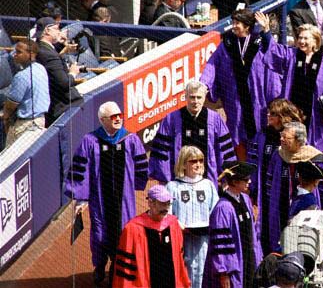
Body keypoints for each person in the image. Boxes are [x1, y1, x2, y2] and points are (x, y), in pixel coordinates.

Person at [65, 102, 148, 286]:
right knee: (100, 234)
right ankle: (100, 265)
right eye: (113, 116)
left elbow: (141, 166)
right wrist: (80, 198)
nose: (118, 118)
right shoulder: (90, 141)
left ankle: (117, 269)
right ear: (102, 120)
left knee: (124, 232)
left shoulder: (130, 139)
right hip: (100, 199)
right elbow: (81, 169)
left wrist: (137, 183)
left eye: (119, 114)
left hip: (123, 199)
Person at [200, 8, 281, 151]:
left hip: (256, 95)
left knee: (258, 126)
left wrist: (267, 30)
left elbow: (274, 53)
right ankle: (242, 166)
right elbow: (213, 63)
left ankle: (258, 160)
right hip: (234, 96)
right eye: (233, 22)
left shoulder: (260, 41)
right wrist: (204, 83)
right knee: (235, 126)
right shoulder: (228, 43)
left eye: (237, 23)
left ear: (247, 26)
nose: (234, 26)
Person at [262, 19, 323, 154]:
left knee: (315, 143)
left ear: (315, 41)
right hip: (292, 110)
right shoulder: (292, 55)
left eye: (306, 38)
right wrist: (266, 31)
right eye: (300, 37)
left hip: (315, 112)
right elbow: (274, 51)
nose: (301, 41)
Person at [263, 122, 323, 253]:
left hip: (308, 210)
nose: (281, 139)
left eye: (286, 137)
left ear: (299, 141)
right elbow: (269, 181)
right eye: (282, 135)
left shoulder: (316, 159)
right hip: (280, 210)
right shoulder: (278, 155)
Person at [149, 79, 237, 186]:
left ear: (205, 98)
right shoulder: (171, 119)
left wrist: (225, 178)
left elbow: (224, 151)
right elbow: (162, 152)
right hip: (178, 182)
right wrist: (165, 180)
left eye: (199, 97)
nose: (195, 101)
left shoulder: (215, 119)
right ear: (185, 97)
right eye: (192, 97)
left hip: (208, 179)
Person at [246, 99, 304, 252]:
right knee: (267, 227)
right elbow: (252, 162)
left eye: (272, 113)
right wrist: (252, 189)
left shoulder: (295, 136)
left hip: (291, 191)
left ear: (282, 116)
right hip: (267, 193)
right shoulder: (261, 136)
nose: (268, 115)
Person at [112, 185, 190, 288]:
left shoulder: (173, 225)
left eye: (168, 203)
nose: (166, 208)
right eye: (162, 203)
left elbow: (179, 261)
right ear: (150, 203)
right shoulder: (133, 228)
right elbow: (126, 267)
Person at [166, 146, 218, 288]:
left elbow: (216, 213)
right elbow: (167, 214)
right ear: (183, 163)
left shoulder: (208, 186)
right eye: (193, 161)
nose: (198, 164)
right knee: (184, 270)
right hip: (182, 239)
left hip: (204, 240)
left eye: (201, 160)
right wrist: (177, 225)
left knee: (203, 271)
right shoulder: (173, 187)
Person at [205, 161, 263, 288]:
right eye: (246, 179)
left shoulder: (245, 200)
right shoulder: (223, 208)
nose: (250, 182)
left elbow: (253, 232)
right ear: (235, 182)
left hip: (248, 261)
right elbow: (221, 244)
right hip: (233, 270)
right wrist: (224, 272)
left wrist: (258, 257)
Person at [35, 16, 83, 126]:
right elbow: (64, 83)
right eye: (57, 29)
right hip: (62, 107)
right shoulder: (48, 54)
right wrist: (73, 73)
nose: (59, 32)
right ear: (47, 30)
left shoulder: (42, 47)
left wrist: (62, 45)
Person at [2, 40, 49, 147]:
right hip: (40, 121)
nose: (15, 54)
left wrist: (5, 118)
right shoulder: (41, 68)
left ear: (31, 54)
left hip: (24, 126)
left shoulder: (22, 76)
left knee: (12, 160)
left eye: (19, 52)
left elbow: (11, 105)